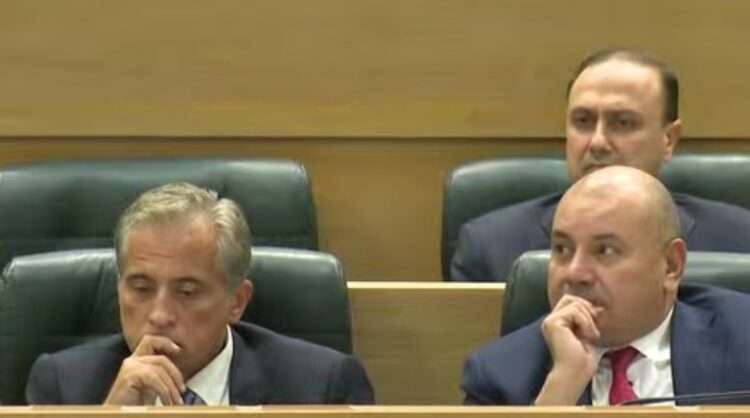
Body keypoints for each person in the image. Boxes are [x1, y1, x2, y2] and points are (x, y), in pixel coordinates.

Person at [26, 182, 374, 405]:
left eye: (187, 292)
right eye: (141, 288)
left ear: (236, 302)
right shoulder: (63, 386)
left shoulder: (321, 388)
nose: (159, 315)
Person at [450, 48, 750, 282]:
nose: (597, 142)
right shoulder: (489, 246)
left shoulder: (740, 241)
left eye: (623, 123)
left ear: (668, 140)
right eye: (582, 121)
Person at [462, 166, 750, 405]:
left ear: (671, 266)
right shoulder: (499, 377)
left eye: (605, 251)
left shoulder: (742, 337)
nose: (575, 273)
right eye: (562, 249)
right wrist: (560, 391)